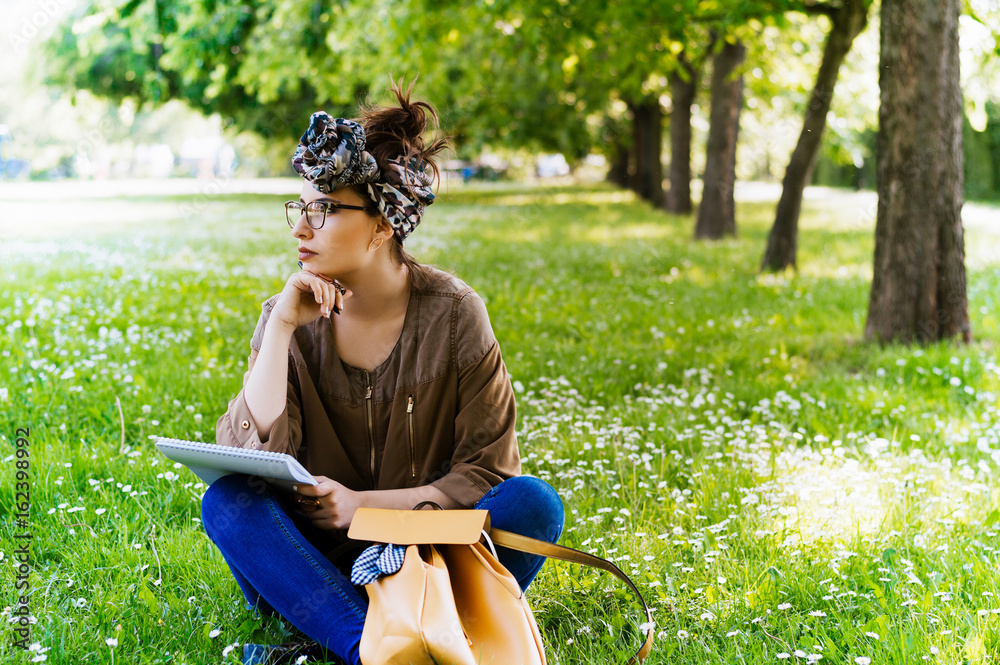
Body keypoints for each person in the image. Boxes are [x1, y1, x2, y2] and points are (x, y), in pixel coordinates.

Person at [199, 79, 565, 665]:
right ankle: (373, 647)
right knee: (227, 504)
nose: (299, 228)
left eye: (323, 210)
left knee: (535, 504)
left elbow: (486, 473)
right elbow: (253, 455)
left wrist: (365, 508)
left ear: (382, 223)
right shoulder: (283, 317)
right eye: (300, 208)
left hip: (427, 551)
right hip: (311, 561)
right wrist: (281, 331)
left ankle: (349, 639)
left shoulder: (454, 313)